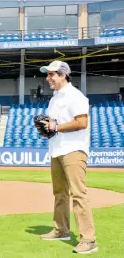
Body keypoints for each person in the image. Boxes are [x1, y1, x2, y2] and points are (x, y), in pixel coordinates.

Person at [38, 60, 98, 254]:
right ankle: (61, 229)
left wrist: (56, 127)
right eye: (47, 74)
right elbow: (54, 125)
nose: (48, 78)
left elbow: (82, 122)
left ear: (63, 75)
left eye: (51, 74)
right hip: (56, 148)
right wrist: (46, 129)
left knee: (78, 194)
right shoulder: (54, 99)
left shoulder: (75, 96)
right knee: (59, 193)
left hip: (74, 149)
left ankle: (89, 240)